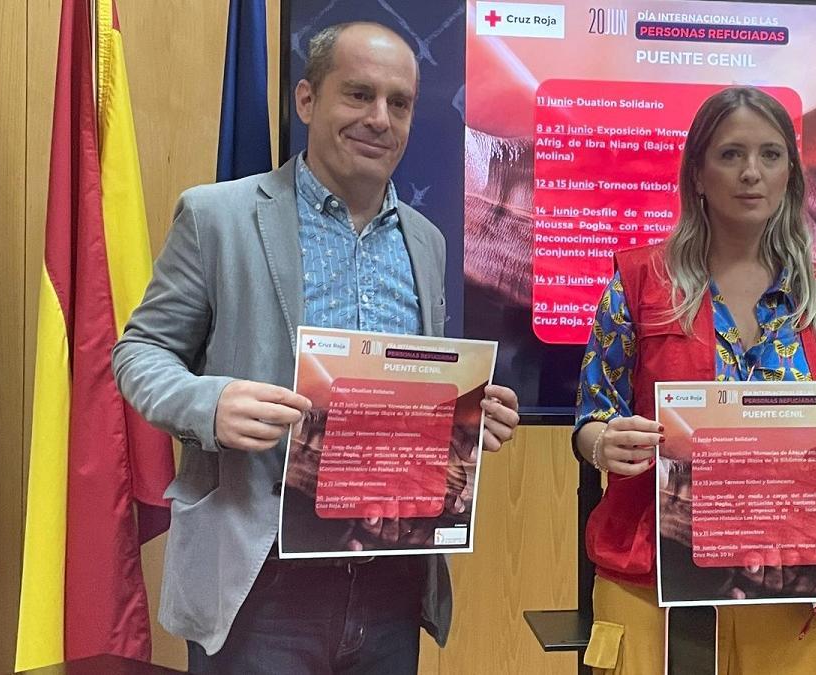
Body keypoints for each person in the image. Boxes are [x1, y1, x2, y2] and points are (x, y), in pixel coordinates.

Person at [112, 22, 520, 674]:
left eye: (400, 102)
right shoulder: (218, 216)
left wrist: (466, 414)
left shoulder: (427, 240)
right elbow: (140, 351)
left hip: (390, 578)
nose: (380, 119)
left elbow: (402, 391)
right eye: (358, 94)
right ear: (307, 100)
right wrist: (209, 402)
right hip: (259, 582)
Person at [572, 86, 816, 674]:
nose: (751, 173)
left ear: (790, 176)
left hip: (790, 588)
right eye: (730, 154)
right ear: (697, 173)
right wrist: (603, 442)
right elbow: (589, 419)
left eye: (771, 155)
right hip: (654, 579)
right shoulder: (639, 281)